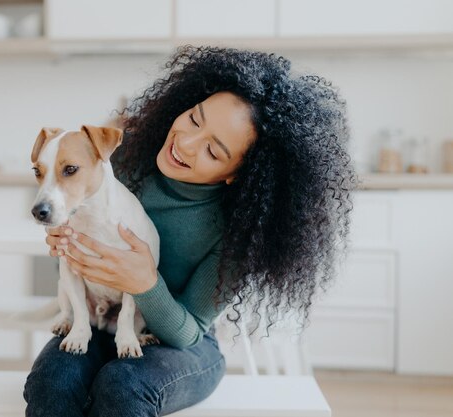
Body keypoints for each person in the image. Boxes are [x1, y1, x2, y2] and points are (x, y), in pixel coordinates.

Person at [23, 45, 357, 416]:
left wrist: (145, 284)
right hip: (105, 319)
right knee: (52, 382)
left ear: (238, 174)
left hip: (186, 347)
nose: (185, 143)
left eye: (213, 152)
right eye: (194, 119)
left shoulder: (237, 232)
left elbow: (188, 332)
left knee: (122, 386)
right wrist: (65, 244)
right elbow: (78, 265)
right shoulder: (120, 159)